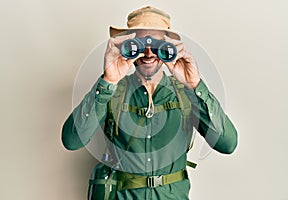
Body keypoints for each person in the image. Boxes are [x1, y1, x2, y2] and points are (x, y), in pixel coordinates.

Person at [61, 5, 238, 200]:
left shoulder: (185, 94)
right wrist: (108, 81)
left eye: (156, 44)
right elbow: (72, 141)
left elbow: (227, 144)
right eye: (139, 43)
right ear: (127, 45)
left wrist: (194, 84)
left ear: (168, 47)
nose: (148, 53)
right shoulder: (113, 91)